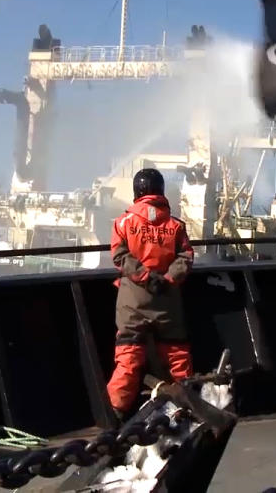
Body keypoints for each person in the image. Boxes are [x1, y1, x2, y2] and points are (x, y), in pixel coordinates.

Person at [106, 168, 194, 419]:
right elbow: (186, 257)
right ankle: (189, 406)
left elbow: (119, 256)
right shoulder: (176, 225)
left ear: (137, 192)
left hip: (133, 301)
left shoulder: (123, 222)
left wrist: (145, 276)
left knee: (129, 357)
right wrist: (166, 279)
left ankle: (116, 413)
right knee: (178, 357)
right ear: (161, 191)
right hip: (168, 301)